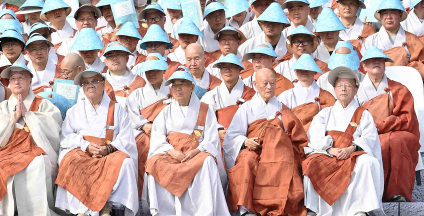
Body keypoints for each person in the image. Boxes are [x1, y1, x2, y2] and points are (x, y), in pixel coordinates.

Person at [0, 63, 60, 216]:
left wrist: (30, 116)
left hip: (35, 149)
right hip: (8, 151)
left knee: (38, 163)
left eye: (21, 78)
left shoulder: (44, 104)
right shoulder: (2, 107)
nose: (16, 82)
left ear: (30, 81)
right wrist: (11, 119)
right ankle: (5, 211)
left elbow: (54, 127)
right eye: (13, 78)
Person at [53, 67, 139, 216]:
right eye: (86, 83)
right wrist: (86, 146)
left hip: (109, 151)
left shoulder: (117, 109)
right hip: (83, 150)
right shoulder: (74, 110)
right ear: (82, 87)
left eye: (95, 81)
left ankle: (105, 206)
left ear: (103, 83)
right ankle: (83, 210)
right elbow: (67, 136)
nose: (90, 85)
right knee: (69, 161)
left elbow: (126, 137)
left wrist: (109, 148)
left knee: (126, 163)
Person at [143, 70, 229, 216]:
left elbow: (211, 139)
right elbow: (158, 137)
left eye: (182, 84)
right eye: (174, 85)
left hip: (195, 154)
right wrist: (170, 150)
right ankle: (166, 212)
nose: (178, 88)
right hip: (171, 153)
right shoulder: (165, 111)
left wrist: (196, 151)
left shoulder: (205, 110)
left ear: (192, 87)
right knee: (154, 162)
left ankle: (204, 211)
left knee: (208, 161)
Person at [300, 66, 383, 216]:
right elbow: (315, 136)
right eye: (339, 85)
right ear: (335, 90)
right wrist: (329, 149)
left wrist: (351, 149)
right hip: (329, 153)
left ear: (356, 89)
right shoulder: (325, 113)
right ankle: (314, 208)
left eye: (348, 85)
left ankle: (359, 209)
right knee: (311, 162)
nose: (343, 89)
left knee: (366, 162)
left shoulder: (363, 114)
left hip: (353, 153)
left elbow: (369, 138)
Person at [224, 69, 307, 216]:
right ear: (255, 84)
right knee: (246, 161)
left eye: (272, 83)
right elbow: (232, 135)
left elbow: (296, 134)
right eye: (265, 83)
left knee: (289, 163)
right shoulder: (247, 107)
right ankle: (246, 209)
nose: (269, 87)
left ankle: (282, 207)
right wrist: (245, 141)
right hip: (255, 150)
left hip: (278, 150)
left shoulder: (282, 108)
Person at [351, 45, 419, 202]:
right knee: (377, 143)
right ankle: (371, 195)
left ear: (385, 64)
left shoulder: (399, 89)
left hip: (397, 131)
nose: (376, 63)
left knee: (397, 141)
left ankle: (398, 192)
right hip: (366, 133)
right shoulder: (356, 90)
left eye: (380, 60)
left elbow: (407, 118)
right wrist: (371, 129)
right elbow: (352, 118)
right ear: (364, 66)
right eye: (372, 61)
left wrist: (383, 124)